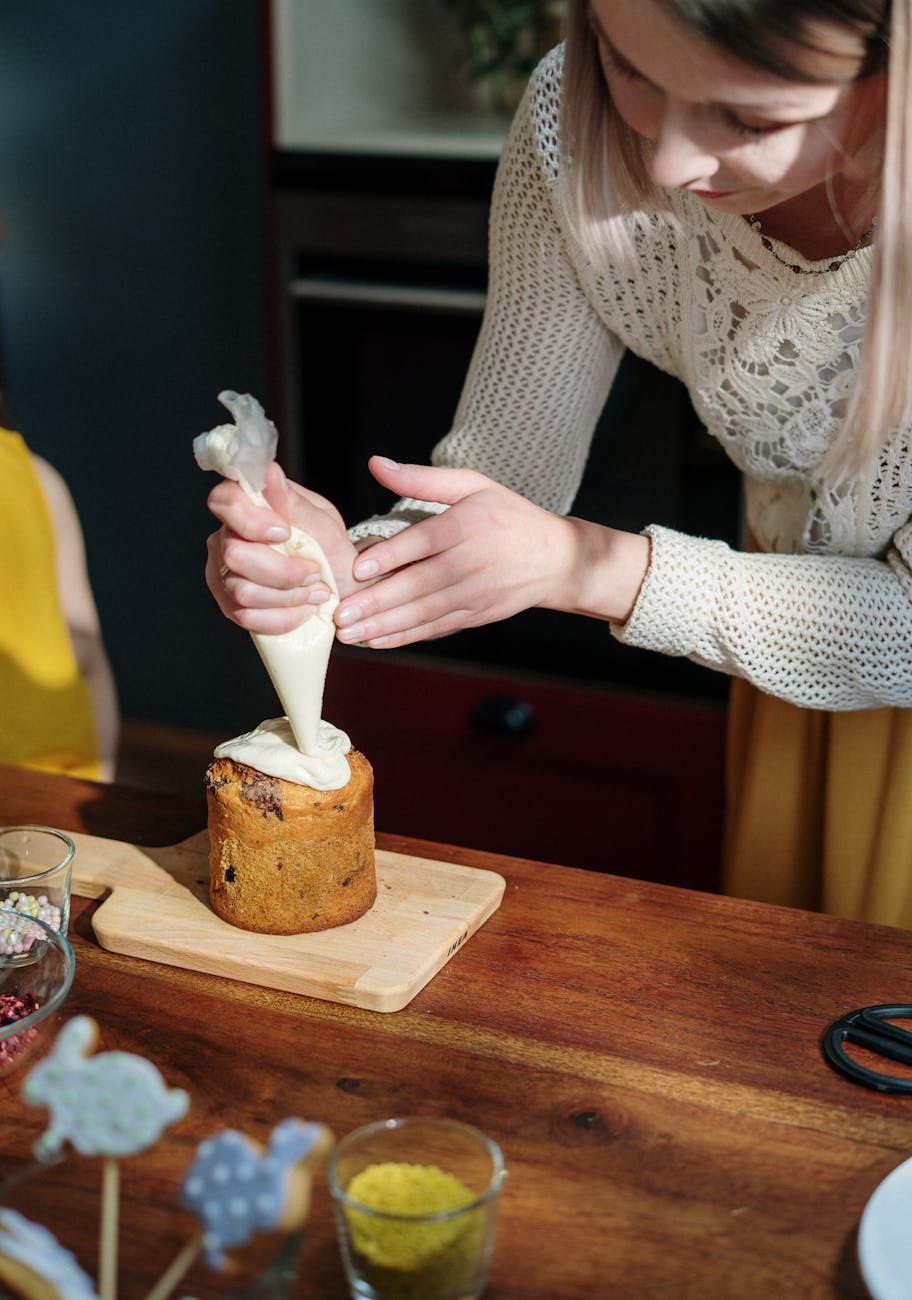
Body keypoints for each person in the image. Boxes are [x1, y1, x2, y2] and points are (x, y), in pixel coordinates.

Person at [206, 0, 912, 925]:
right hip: (796, 655)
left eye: (746, 118)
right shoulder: (572, 123)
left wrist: (586, 566)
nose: (666, 161)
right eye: (633, 71)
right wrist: (334, 571)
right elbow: (505, 478)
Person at [0, 392, 118, 780]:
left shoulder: (38, 478)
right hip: (66, 774)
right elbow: (88, 654)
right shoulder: (40, 477)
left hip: (56, 775)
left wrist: (102, 780)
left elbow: (87, 653)